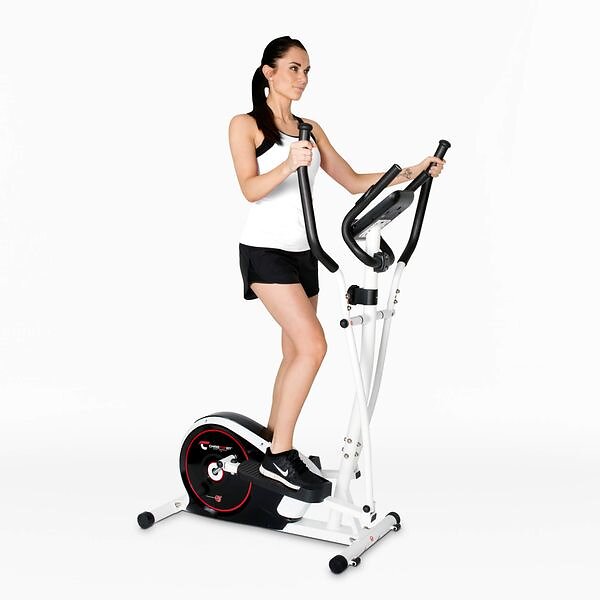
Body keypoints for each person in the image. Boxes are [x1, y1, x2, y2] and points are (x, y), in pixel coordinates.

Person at [228, 36, 445, 492]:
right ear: (268, 72)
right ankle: (281, 455)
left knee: (294, 353)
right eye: (294, 68)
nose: (302, 78)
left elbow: (352, 180)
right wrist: (287, 164)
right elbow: (249, 188)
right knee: (313, 347)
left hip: (305, 252)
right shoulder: (245, 125)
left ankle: (272, 445)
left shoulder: (310, 129)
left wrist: (414, 171)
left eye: (307, 70)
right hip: (264, 251)